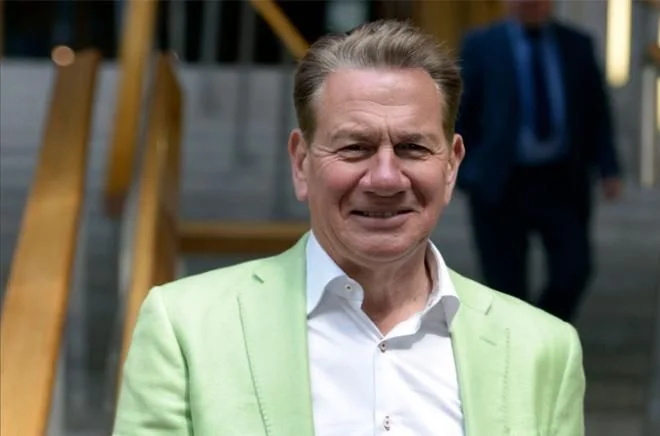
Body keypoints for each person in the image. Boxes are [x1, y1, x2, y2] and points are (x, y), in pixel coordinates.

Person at [113, 20, 585, 436]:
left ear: (451, 166)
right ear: (301, 163)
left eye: (413, 148)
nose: (385, 178)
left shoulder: (543, 349)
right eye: (355, 147)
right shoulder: (186, 329)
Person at [455, 0, 623, 322]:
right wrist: (464, 169)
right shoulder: (481, 45)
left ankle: (541, 330)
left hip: (561, 180)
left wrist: (609, 166)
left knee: (573, 270)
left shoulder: (577, 44)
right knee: (505, 285)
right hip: (500, 183)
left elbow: (596, 111)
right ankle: (519, 340)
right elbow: (461, 112)